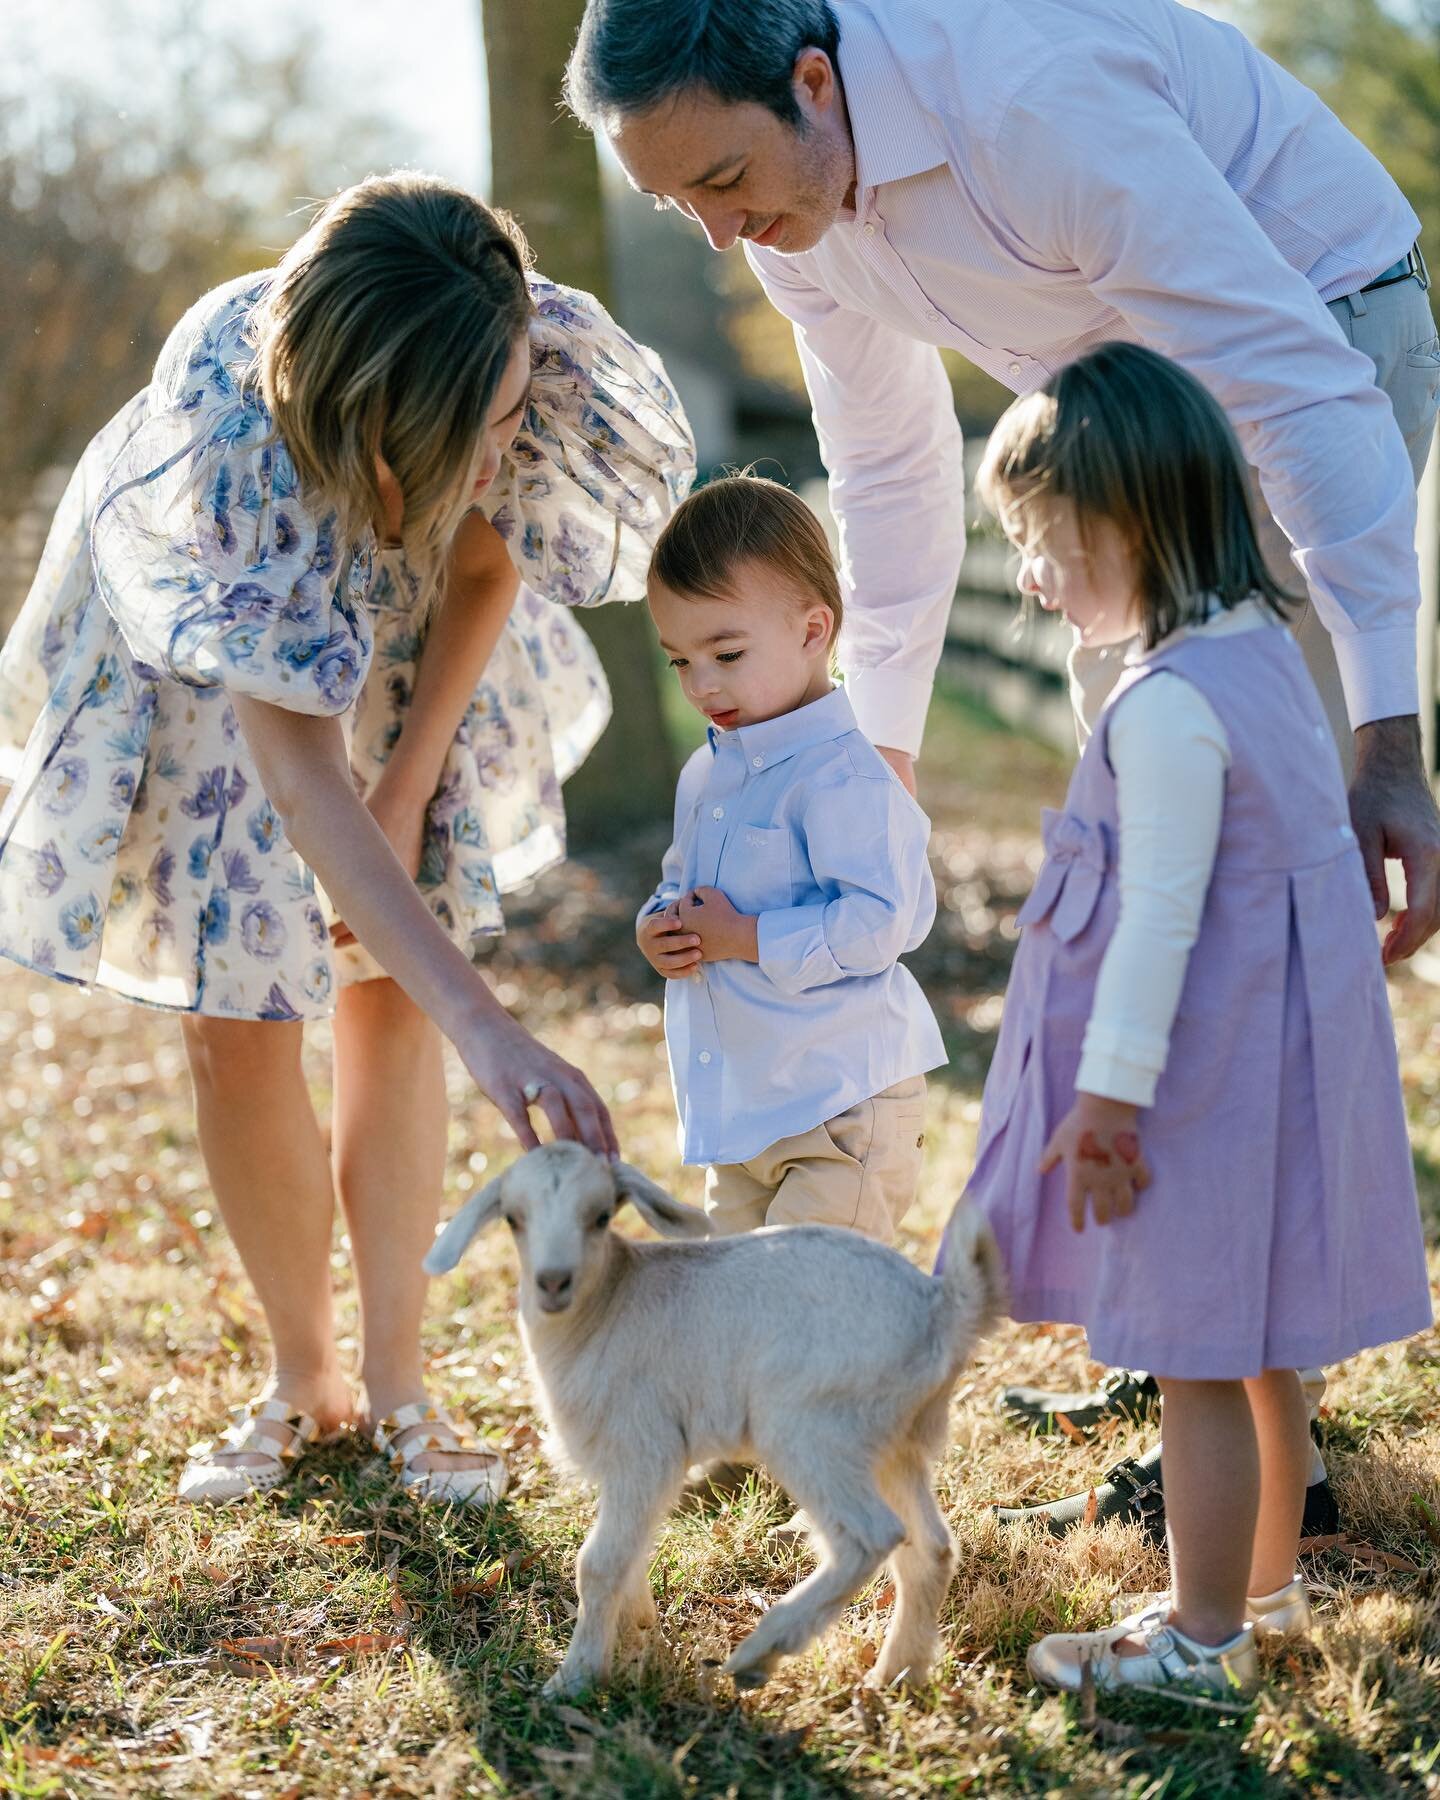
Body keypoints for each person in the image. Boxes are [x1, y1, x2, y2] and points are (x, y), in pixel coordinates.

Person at [565, 0, 1440, 1535]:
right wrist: (872, 763)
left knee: (1231, 925)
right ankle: (1183, 1359)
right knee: (1132, 874)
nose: (719, 236)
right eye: (676, 204)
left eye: (720, 179)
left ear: (815, 81)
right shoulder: (789, 198)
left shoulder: (1028, 99)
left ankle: (1269, 1469)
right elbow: (892, 475)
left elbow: (1300, 387)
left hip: (1313, 330)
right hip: (1124, 419)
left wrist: (1386, 738)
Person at [0, 172, 694, 1506]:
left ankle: (397, 1388)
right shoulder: (238, 442)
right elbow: (294, 764)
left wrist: (413, 777)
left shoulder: (498, 339)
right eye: (473, 435)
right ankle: (301, 1381)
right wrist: (499, 1024)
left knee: (390, 987)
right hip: (210, 643)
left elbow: (486, 559)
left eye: (506, 422)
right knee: (238, 1009)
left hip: (405, 623)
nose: (497, 453)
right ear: (371, 421)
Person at [934, 342, 1432, 1695]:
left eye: (1045, 544)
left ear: (1134, 528)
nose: (1033, 579)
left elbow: (1159, 923)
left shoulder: (1163, 710)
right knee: (1265, 1352)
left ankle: (1203, 1641)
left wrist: (1107, 1099)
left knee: (1198, 1363)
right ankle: (1257, 1601)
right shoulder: (1265, 651)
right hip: (1276, 1075)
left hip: (1198, 1090)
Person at [636, 474, 944, 1244]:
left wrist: (747, 938)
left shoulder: (844, 776)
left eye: (726, 653)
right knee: (742, 1317)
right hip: (745, 1105)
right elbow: (683, 886)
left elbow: (884, 923)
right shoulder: (709, 773)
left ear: (813, 631)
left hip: (839, 1107)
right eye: (678, 662)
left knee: (814, 1314)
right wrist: (659, 927)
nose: (700, 685)